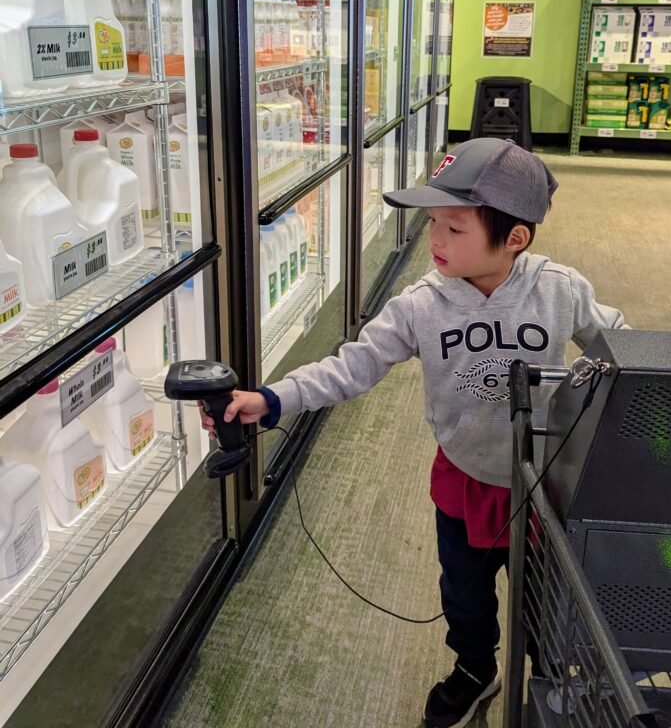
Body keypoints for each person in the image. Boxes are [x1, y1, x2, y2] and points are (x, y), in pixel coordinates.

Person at [201, 137, 626, 728]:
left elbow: (621, 350)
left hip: (546, 484)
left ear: (515, 238)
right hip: (463, 478)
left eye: (455, 228)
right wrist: (271, 400)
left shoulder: (560, 291)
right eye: (433, 224)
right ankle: (476, 670)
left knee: (550, 602)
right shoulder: (419, 305)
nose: (435, 241)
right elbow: (354, 364)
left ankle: (550, 676)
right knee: (464, 595)